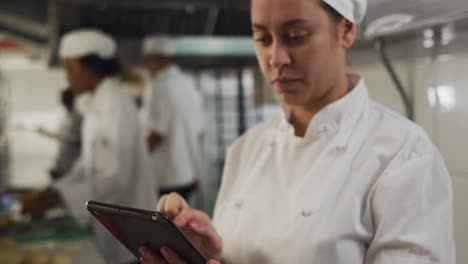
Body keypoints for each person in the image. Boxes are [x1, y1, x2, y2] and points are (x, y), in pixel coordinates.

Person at [139, 0, 456, 263]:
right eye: (263, 39)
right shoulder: (247, 149)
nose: (276, 58)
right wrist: (207, 254)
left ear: (345, 31)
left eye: (296, 35)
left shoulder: (403, 157)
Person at [21, 29, 158, 264]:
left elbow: (114, 180)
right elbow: (85, 165)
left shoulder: (115, 106)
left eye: (70, 69)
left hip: (130, 226)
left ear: (90, 69)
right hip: (110, 220)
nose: (67, 78)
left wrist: (57, 198)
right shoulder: (96, 104)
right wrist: (54, 190)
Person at [140, 35, 204, 201]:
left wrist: (137, 164)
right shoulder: (188, 85)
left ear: (160, 59)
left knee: (164, 224)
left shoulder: (158, 86)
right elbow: (199, 134)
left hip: (166, 176)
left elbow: (156, 133)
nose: (148, 66)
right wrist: (197, 172)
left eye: (148, 61)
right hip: (188, 173)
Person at [37, 87, 82, 180]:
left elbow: (77, 140)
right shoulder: (65, 117)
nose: (63, 101)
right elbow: (60, 136)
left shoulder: (78, 117)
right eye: (62, 99)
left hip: (73, 162)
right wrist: (45, 132)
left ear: (72, 99)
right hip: (62, 162)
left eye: (65, 98)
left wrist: (62, 137)